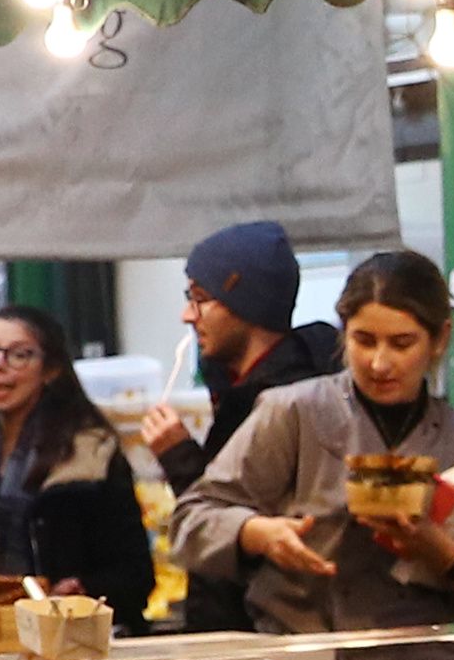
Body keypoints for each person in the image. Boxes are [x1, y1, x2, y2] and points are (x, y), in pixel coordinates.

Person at [171, 250, 454, 660]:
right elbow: (191, 519)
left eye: (402, 343)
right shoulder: (293, 413)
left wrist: (446, 555)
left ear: (439, 340)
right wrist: (258, 533)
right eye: (364, 341)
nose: (380, 363)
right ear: (344, 334)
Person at [140, 219, 340, 632]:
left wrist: (180, 457)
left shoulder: (289, 404)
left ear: (247, 305)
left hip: (261, 635)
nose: (186, 315)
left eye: (200, 299)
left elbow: (234, 521)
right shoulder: (236, 394)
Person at [0, 305, 157, 630]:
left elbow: (134, 575)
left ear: (51, 370)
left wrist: (81, 590)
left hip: (71, 637)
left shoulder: (89, 454)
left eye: (18, 355)